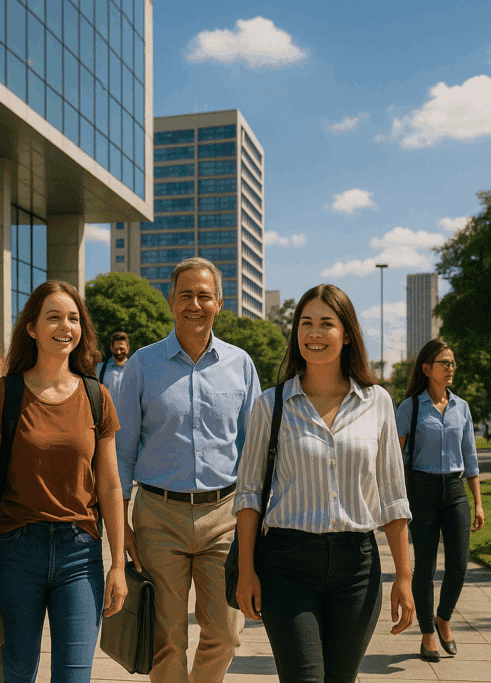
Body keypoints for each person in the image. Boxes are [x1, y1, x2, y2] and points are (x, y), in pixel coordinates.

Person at [233, 284, 414, 683]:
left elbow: (393, 497)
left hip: (357, 568)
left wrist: (404, 576)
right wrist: (246, 570)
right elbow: (248, 495)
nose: (314, 333)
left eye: (326, 324)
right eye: (306, 323)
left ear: (347, 334)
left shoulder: (378, 402)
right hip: (287, 566)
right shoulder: (270, 405)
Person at [115, 257, 261, 683]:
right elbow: (122, 451)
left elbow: (254, 451)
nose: (194, 305)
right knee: (166, 639)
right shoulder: (142, 364)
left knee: (227, 634)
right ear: (170, 301)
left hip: (225, 517)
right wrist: (121, 526)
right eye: (185, 296)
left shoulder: (241, 364)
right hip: (158, 516)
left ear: (219, 303)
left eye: (204, 296)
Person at [0, 280, 128, 683]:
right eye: (54, 317)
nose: (65, 326)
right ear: (31, 327)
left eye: (73, 318)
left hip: (80, 555)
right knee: (14, 675)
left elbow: (110, 486)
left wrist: (118, 565)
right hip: (14, 551)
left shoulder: (97, 396)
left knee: (74, 677)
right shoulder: (3, 393)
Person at [395, 339, 483, 662]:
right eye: (445, 363)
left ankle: (443, 617)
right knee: (425, 568)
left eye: (452, 363)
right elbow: (395, 457)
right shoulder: (410, 408)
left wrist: (478, 502)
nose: (450, 368)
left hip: (455, 491)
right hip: (422, 492)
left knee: (459, 564)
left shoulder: (461, 407)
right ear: (426, 368)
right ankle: (427, 634)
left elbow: (470, 457)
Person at [95, 331, 129, 398]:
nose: (118, 352)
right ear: (111, 348)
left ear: (127, 348)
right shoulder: (100, 368)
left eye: (121, 349)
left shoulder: (134, 369)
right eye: (116, 349)